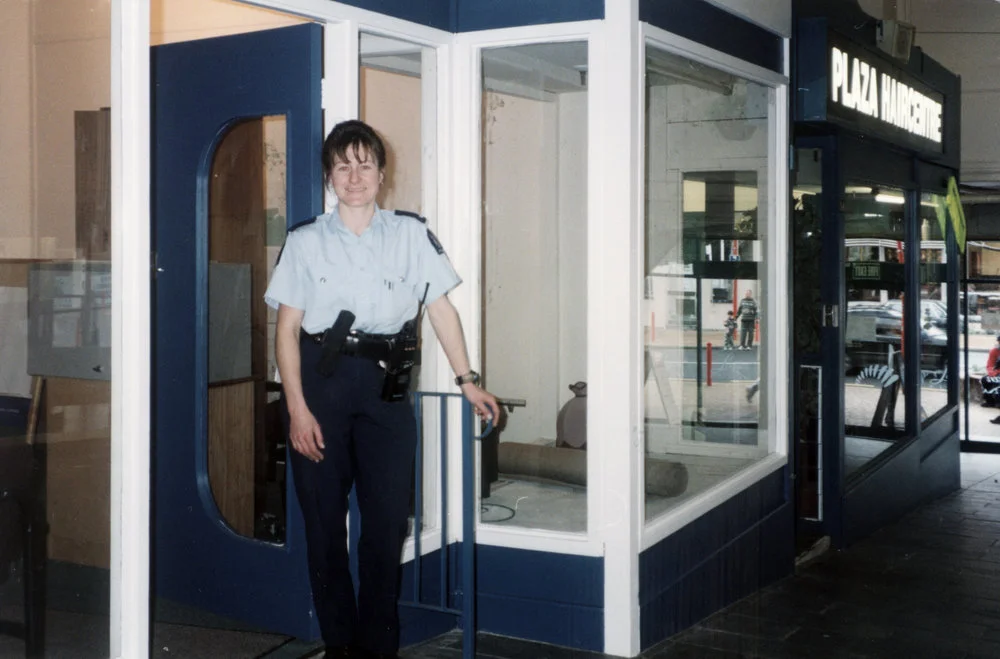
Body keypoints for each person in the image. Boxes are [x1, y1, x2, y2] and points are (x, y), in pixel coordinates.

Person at [264, 120, 501, 659]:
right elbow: (285, 331)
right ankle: (340, 646)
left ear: (381, 174)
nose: (354, 176)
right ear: (329, 176)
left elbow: (440, 308)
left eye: (364, 164)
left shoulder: (411, 234)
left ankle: (377, 648)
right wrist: (296, 410)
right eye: (343, 166)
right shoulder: (303, 241)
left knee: (386, 524)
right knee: (324, 529)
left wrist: (468, 381)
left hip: (387, 391)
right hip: (320, 387)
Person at [982, 335, 1000, 425]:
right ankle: (990, 402)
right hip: (996, 373)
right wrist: (992, 373)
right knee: (985, 379)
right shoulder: (994, 351)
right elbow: (990, 364)